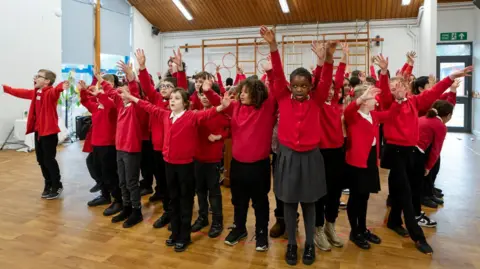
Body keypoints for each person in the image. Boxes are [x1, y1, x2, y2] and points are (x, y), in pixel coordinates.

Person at [377, 52, 473, 254]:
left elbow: (434, 91)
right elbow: (385, 92)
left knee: (401, 190)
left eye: (401, 87)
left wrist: (451, 77)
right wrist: (384, 72)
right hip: (395, 153)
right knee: (406, 194)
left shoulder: (414, 102)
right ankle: (417, 236)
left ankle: (394, 221)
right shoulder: (388, 103)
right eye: (394, 88)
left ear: (406, 88)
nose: (398, 90)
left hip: (410, 152)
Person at [262, 26, 332, 265]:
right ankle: (292, 244)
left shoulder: (318, 99)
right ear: (290, 86)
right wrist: (273, 46)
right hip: (288, 157)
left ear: (311, 87)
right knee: (289, 204)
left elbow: (327, 79)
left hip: (311, 157)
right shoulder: (282, 96)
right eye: (296, 85)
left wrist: (327, 59)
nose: (300, 89)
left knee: (310, 205)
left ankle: (309, 245)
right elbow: (278, 73)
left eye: (304, 86)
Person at [344, 85, 401, 249]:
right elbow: (348, 110)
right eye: (372, 98)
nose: (376, 101)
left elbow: (392, 114)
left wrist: (398, 99)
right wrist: (361, 98)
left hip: (369, 161)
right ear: (363, 101)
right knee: (356, 198)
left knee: (364, 198)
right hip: (356, 163)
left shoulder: (374, 115)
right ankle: (355, 232)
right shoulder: (353, 116)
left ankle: (362, 228)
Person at [1, 70, 68, 199]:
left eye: (39, 76)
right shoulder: (36, 93)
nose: (35, 78)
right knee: (41, 160)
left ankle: (57, 185)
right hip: (39, 132)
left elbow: (55, 92)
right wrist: (5, 88)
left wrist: (60, 87)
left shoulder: (49, 93)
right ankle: (48, 184)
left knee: (49, 160)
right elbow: (21, 92)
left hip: (49, 132)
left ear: (47, 81)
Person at [413, 100, 454, 228]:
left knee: (409, 185)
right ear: (448, 115)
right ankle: (416, 215)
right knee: (415, 186)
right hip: (416, 154)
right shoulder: (440, 126)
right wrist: (428, 167)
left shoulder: (422, 118)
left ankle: (410, 212)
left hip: (406, 152)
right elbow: (436, 150)